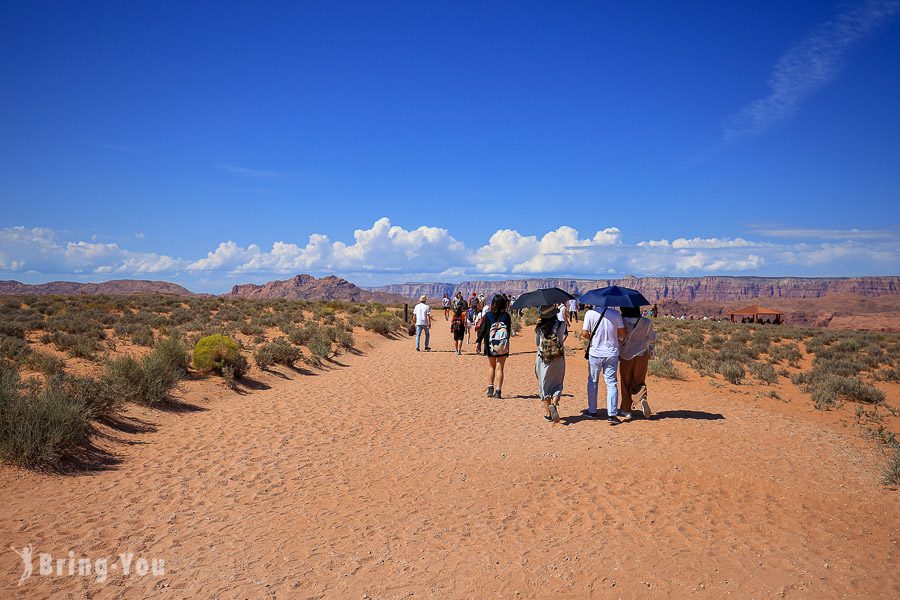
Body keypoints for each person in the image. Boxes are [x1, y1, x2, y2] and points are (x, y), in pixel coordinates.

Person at [581, 304, 625, 425]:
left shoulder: (589, 313)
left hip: (595, 353)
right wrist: (615, 338)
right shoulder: (616, 314)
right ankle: (612, 414)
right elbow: (622, 333)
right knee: (611, 382)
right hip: (612, 353)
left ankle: (592, 411)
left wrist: (593, 338)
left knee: (593, 381)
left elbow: (584, 333)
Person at [618, 306, 656, 420]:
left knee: (625, 383)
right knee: (639, 380)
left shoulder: (622, 321)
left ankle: (626, 411)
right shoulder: (646, 321)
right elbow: (652, 338)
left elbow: (619, 337)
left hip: (626, 355)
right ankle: (642, 399)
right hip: (642, 355)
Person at [535, 305, 567, 422]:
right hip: (558, 357)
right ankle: (554, 403)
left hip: (544, 359)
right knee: (558, 383)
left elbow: (537, 343)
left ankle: (548, 415)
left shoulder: (540, 327)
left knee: (545, 386)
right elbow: (561, 338)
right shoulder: (561, 324)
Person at [476, 294, 512, 399]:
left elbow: (482, 330)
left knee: (491, 366)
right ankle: (498, 391)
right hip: (502, 346)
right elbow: (508, 332)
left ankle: (490, 388)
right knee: (500, 368)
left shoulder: (488, 315)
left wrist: (478, 342)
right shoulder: (506, 316)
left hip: (490, 344)